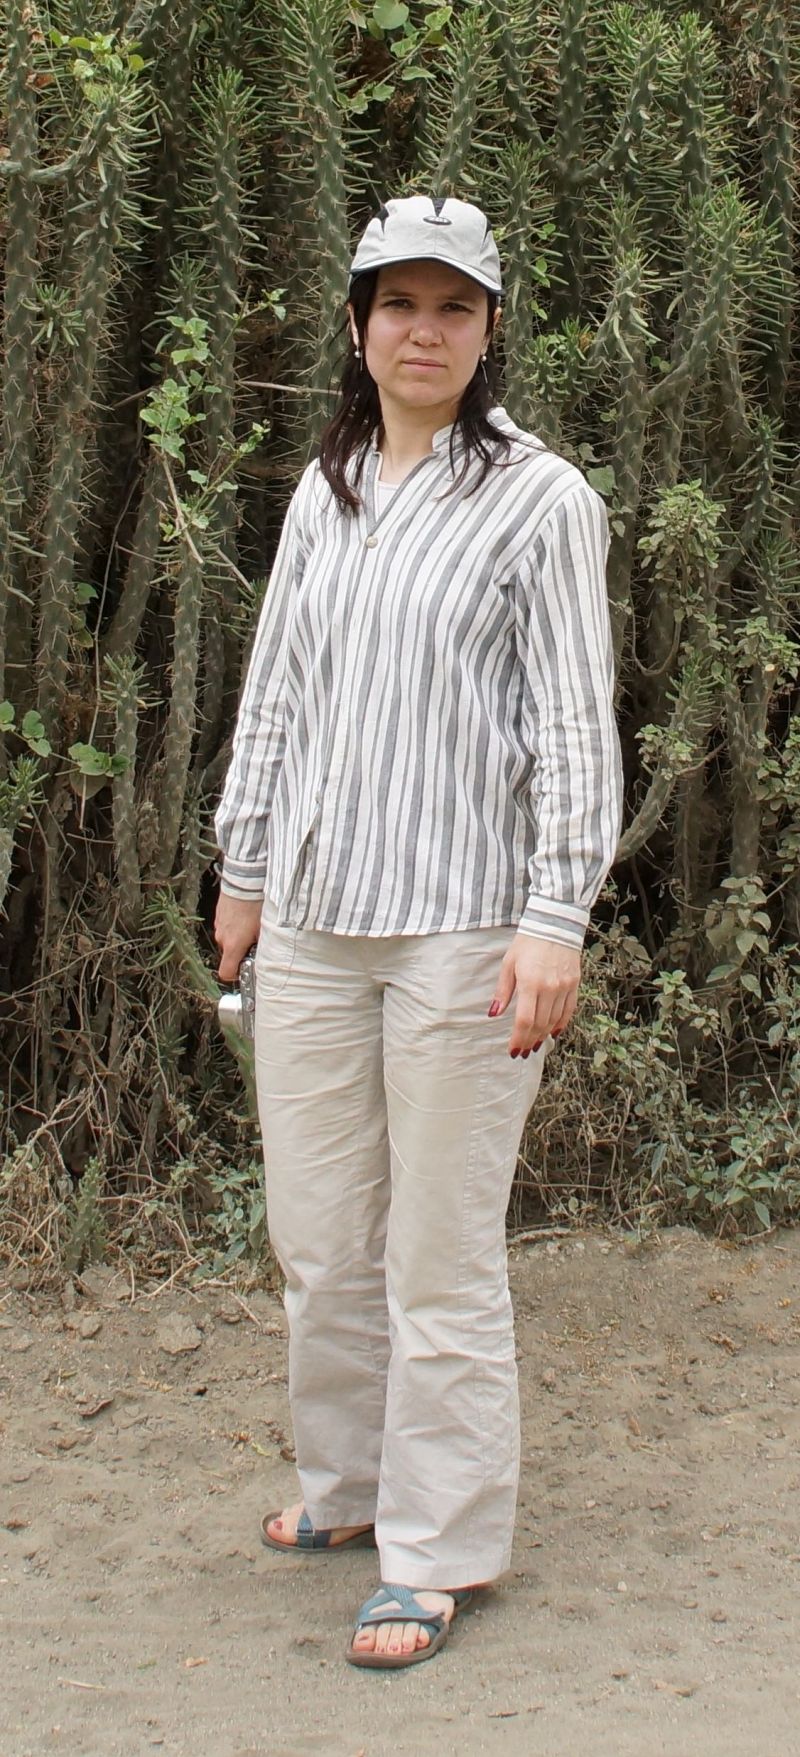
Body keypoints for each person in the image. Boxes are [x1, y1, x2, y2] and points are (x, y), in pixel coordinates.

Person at [214, 194, 623, 1670]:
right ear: (358, 324)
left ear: (491, 328)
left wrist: (554, 919)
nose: (424, 332)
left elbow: (573, 726)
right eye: (400, 304)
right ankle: (347, 1489)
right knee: (321, 1239)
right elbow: (276, 687)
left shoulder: (540, 499)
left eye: (455, 307)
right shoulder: (322, 492)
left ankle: (438, 1547)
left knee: (438, 1256)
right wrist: (243, 867)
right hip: (316, 922)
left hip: (466, 930)